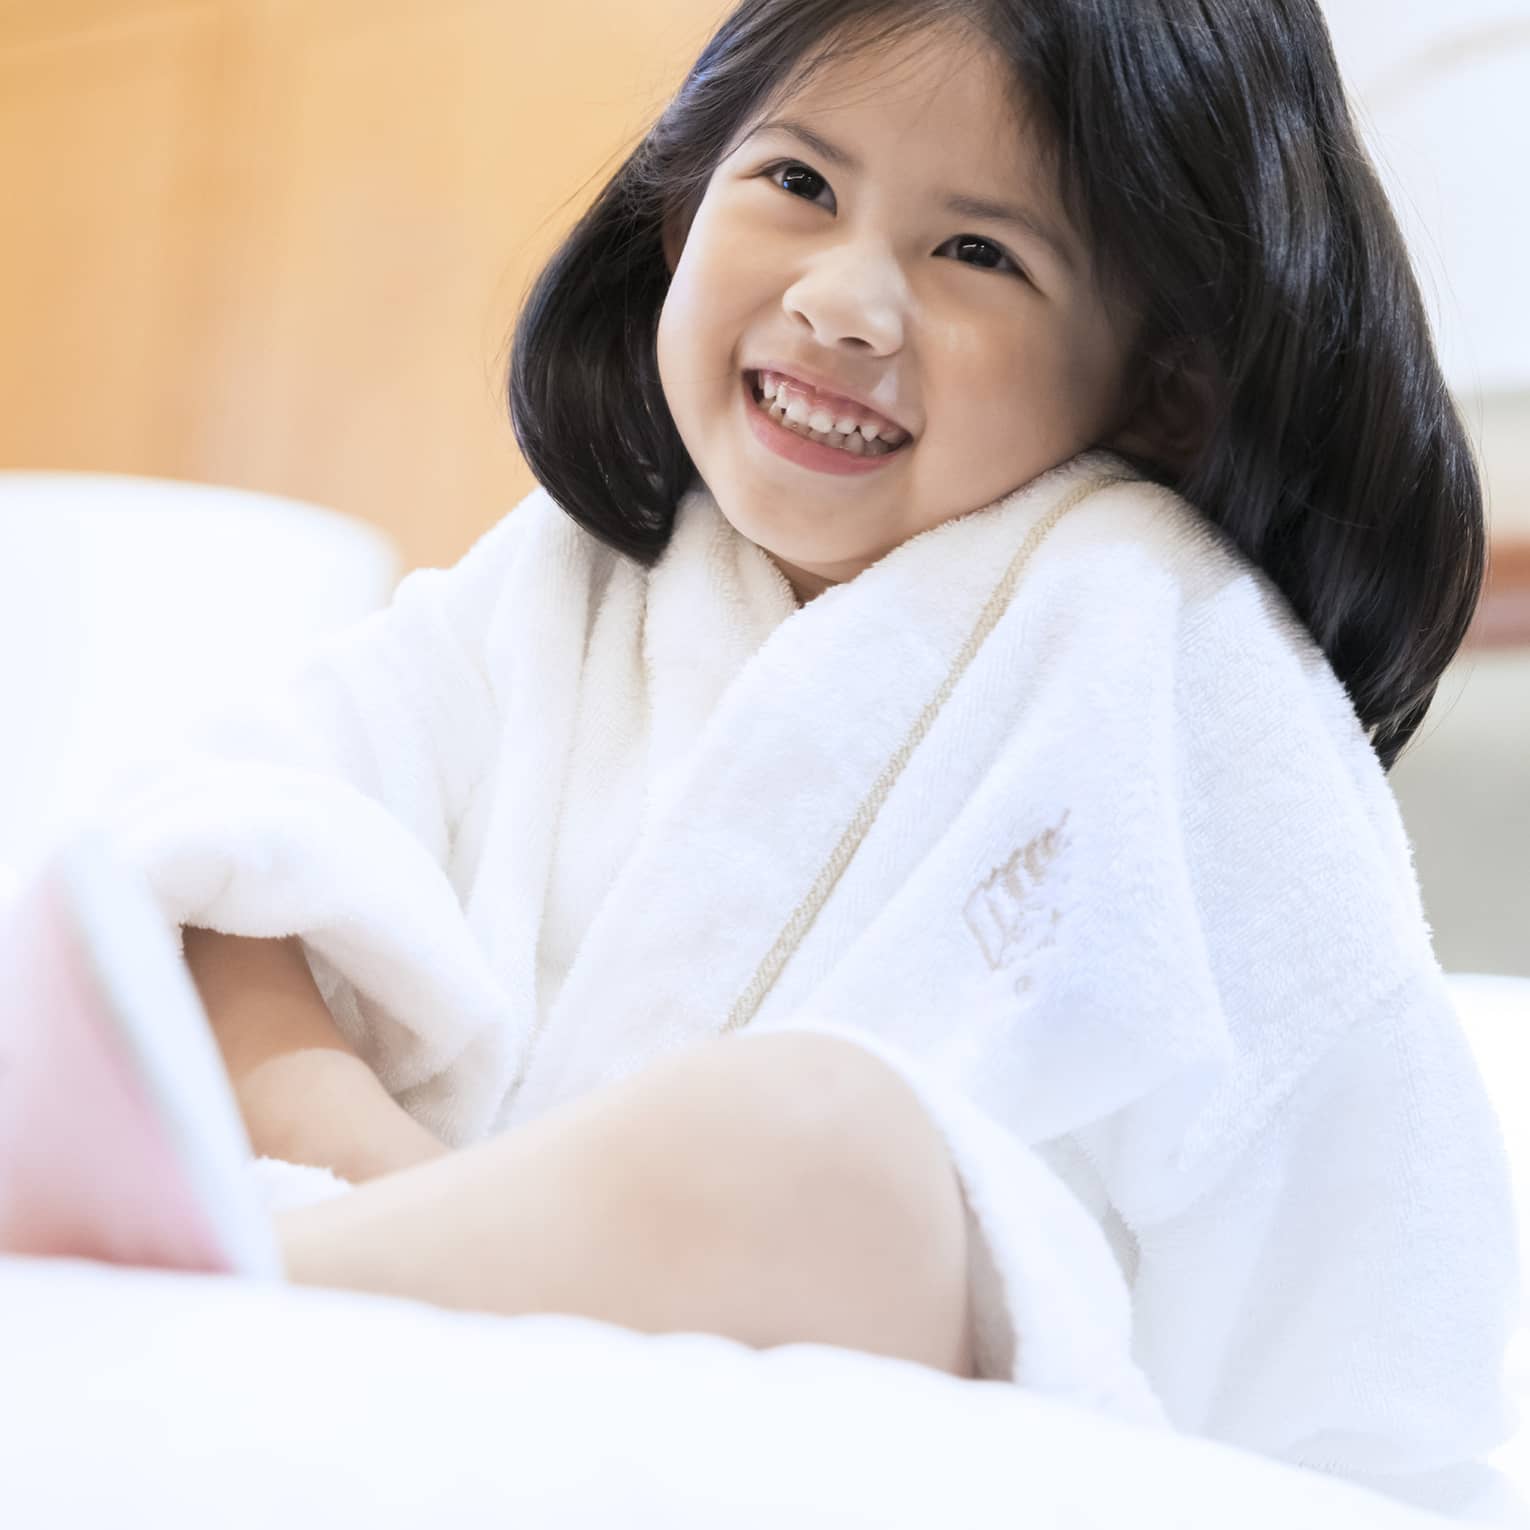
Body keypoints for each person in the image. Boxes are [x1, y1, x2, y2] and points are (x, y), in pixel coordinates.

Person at [11, 0, 1524, 1523]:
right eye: (797, 182)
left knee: (827, 1138)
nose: (848, 301)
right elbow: (235, 827)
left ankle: (287, 1274)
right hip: (407, 1222)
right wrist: (375, 1160)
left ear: (1155, 380)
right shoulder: (562, 578)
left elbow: (1358, 1182)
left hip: (922, 1342)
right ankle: (352, 1261)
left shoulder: (1167, 641)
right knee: (193, 908)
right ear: (678, 205)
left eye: (978, 254)